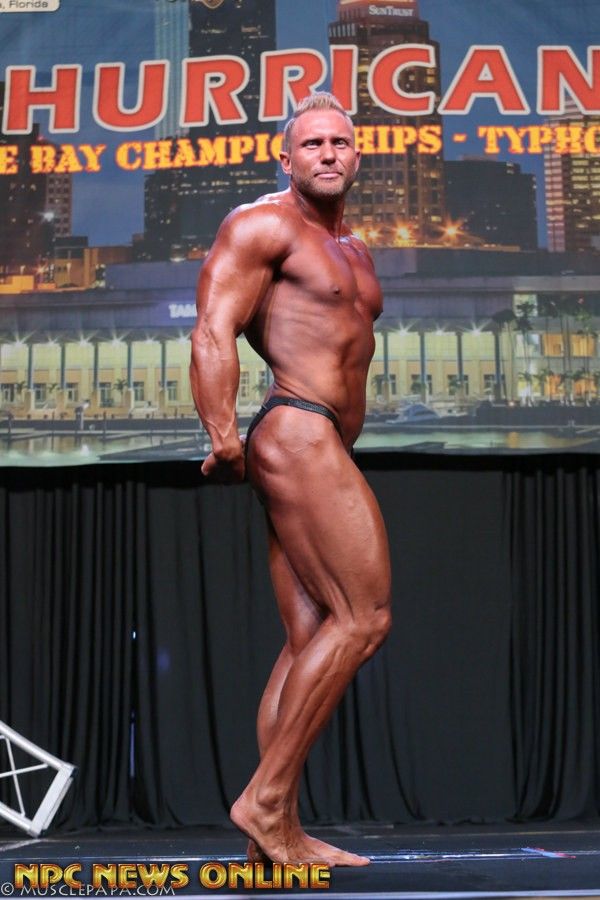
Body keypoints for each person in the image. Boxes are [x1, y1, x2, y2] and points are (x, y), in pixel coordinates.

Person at [190, 92, 391, 867]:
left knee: (312, 638)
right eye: (312, 144)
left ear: (358, 154)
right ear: (286, 157)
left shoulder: (356, 250)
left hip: (324, 441)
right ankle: (266, 802)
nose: (328, 153)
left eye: (340, 142)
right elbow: (213, 328)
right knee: (365, 618)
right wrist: (220, 433)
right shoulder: (262, 225)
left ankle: (274, 837)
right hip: (298, 428)